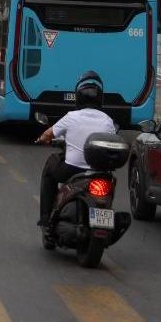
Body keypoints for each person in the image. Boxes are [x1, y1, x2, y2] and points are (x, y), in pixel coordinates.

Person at [35, 71, 117, 228]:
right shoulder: (107, 121)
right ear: (100, 97)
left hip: (72, 170)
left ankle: (45, 218)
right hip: (100, 173)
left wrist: (42, 139)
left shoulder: (71, 116)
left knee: (49, 168)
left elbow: (48, 134)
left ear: (78, 96)